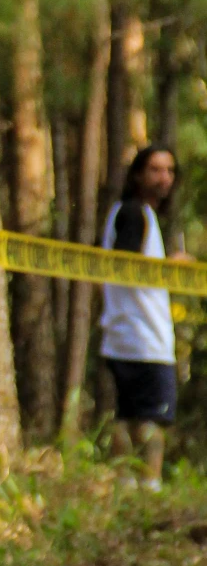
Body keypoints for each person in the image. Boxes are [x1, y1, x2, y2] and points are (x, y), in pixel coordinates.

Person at [98, 144, 180, 492]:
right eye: (155, 170)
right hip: (143, 338)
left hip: (123, 334)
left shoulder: (130, 213)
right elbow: (126, 265)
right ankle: (149, 485)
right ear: (137, 175)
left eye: (169, 171)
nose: (164, 178)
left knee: (127, 416)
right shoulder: (133, 214)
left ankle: (127, 484)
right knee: (151, 419)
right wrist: (169, 270)